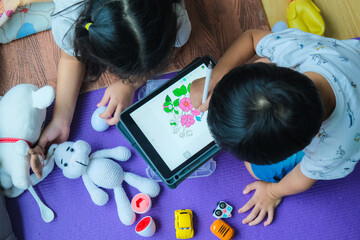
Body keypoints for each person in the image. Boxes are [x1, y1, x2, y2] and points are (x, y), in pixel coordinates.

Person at [190, 28, 360, 226]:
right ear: (278, 68)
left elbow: (304, 178)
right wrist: (218, 75)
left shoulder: (332, 151)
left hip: (350, 128)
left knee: (258, 171)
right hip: (347, 63)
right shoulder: (294, 49)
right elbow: (251, 37)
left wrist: (272, 191)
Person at [38, 0, 191, 149]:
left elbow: (174, 45)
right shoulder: (69, 18)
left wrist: (131, 83)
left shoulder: (175, 16)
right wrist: (60, 119)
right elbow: (71, 57)